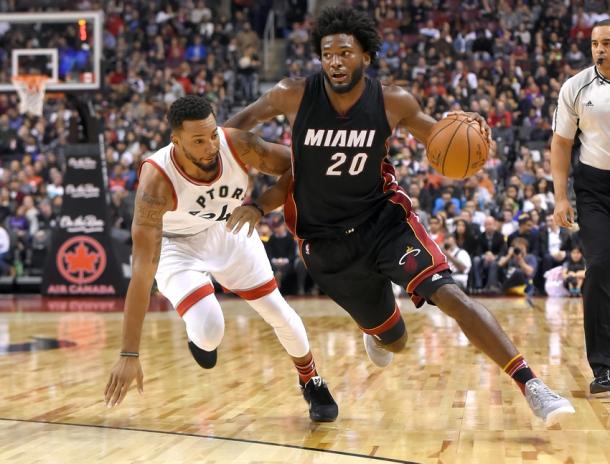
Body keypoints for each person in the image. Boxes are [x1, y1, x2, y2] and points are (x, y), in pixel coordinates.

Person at [225, 6, 574, 425]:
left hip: (383, 219)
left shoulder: (393, 101)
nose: (335, 61)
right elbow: (231, 129)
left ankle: (531, 384)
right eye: (327, 54)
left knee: (449, 293)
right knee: (396, 341)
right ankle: (377, 331)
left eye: (345, 53)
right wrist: (240, 175)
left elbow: (440, 137)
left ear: (366, 56)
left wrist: (474, 138)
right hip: (325, 243)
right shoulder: (292, 94)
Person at [104, 95, 338, 422]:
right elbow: (142, 272)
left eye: (212, 134)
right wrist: (129, 353)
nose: (210, 145)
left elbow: (300, 167)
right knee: (210, 329)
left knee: (278, 312)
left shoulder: (238, 145)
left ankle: (311, 379)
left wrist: (260, 206)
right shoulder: (156, 181)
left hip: (227, 228)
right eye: (198, 141)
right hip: (176, 245)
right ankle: (198, 333)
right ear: (176, 141)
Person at [551, 19, 610, 394]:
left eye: (607, 42)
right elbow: (561, 144)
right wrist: (560, 197)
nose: (600, 49)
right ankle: (604, 366)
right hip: (595, 189)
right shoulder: (576, 86)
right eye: (595, 43)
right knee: (601, 265)